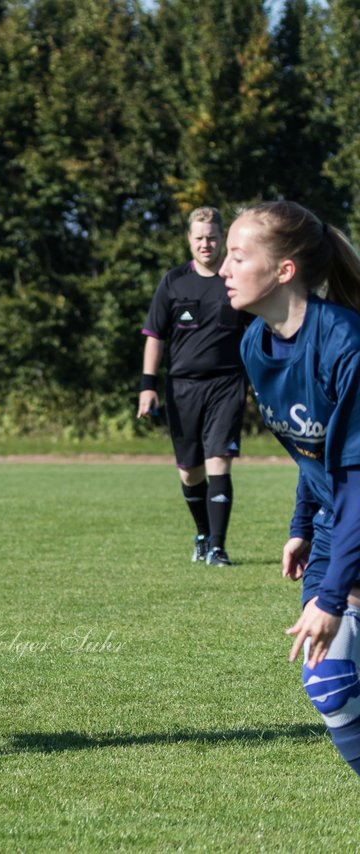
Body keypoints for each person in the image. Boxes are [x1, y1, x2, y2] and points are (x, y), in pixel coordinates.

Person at [219, 200, 360, 777]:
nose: (224, 269)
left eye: (237, 255)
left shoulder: (345, 342)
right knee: (329, 683)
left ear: (283, 270)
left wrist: (331, 598)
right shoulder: (255, 344)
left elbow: (356, 475)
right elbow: (311, 448)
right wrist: (302, 525)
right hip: (336, 523)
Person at [137, 206, 248, 566]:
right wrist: (147, 386)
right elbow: (155, 336)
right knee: (190, 470)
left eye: (212, 237)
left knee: (220, 459)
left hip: (227, 382)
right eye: (199, 237)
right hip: (182, 386)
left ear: (222, 238)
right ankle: (202, 534)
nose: (206, 243)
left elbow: (258, 332)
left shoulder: (236, 280)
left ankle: (218, 547)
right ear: (189, 239)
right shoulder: (173, 282)